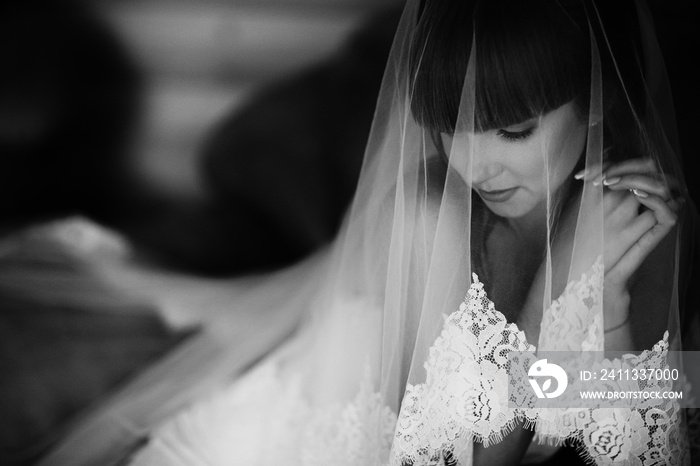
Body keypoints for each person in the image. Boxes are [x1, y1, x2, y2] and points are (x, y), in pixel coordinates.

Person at [38, 0, 699, 464]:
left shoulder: (641, 213)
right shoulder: (429, 212)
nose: (476, 165)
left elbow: (655, 427)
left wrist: (610, 312)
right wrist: (542, 317)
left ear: (600, 99)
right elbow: (461, 459)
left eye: (513, 130)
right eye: (451, 126)